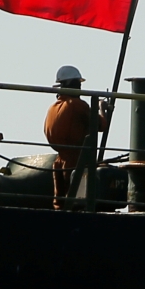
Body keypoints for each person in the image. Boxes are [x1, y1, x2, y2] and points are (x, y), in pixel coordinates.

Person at [43, 65, 106, 209]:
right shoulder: (78, 105)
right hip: (76, 161)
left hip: (59, 161)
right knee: (77, 202)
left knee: (60, 203)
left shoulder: (53, 108)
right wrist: (102, 109)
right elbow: (101, 125)